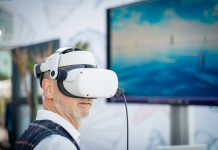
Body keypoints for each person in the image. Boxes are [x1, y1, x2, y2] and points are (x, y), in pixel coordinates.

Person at [15, 47, 118, 150]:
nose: (87, 96)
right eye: (77, 84)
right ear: (49, 89)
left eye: (90, 84)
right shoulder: (59, 144)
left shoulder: (32, 133)